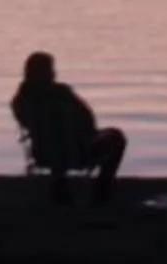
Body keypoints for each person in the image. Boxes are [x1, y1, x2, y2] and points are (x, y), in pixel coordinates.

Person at [11, 51, 126, 206]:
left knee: (59, 140)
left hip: (43, 154)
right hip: (79, 151)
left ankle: (60, 183)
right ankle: (101, 190)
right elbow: (86, 118)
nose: (54, 73)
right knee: (117, 137)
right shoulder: (61, 94)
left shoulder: (21, 100)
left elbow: (27, 124)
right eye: (51, 69)